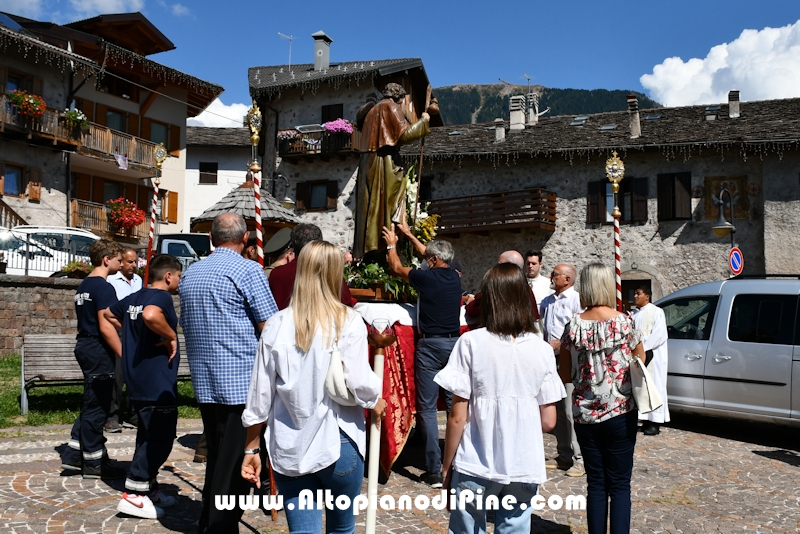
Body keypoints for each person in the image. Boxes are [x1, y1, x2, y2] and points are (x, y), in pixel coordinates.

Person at [241, 240, 386, 533]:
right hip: (339, 438)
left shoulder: (275, 325)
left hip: (290, 442)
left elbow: (260, 395)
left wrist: (251, 447)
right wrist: (375, 399)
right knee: (341, 529)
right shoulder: (349, 321)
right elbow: (358, 381)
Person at [435, 263, 564, 534]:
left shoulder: (470, 343)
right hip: (523, 461)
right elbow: (549, 420)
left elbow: (458, 416)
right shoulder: (542, 350)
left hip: (475, 459)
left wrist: (446, 467)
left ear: (489, 299)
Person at [179, 213, 279, 534]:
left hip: (206, 378)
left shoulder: (191, 272)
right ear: (246, 239)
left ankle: (208, 518)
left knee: (220, 456)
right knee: (235, 462)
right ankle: (220, 526)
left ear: (211, 237)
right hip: (240, 381)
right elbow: (270, 326)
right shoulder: (248, 269)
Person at [559, 262, 645, 534]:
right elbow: (640, 360)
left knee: (596, 483)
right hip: (621, 411)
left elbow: (565, 373)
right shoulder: (626, 322)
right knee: (620, 485)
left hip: (586, 414)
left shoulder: (573, 325)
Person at [382, 221, 462, 488]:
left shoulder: (425, 277)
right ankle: (455, 464)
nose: (426, 261)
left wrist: (393, 243)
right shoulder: (455, 276)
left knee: (427, 409)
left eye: (429, 259)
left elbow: (395, 267)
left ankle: (433, 470)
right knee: (454, 407)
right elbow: (429, 254)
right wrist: (409, 234)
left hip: (430, 347)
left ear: (434, 260)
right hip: (454, 345)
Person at [103, 254, 182, 519]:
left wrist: (131, 331)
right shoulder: (159, 298)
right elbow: (150, 316)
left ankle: (147, 487)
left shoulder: (136, 296)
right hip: (156, 381)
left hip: (138, 378)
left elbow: (108, 313)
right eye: (179, 276)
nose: (179, 281)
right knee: (161, 437)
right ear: (168, 276)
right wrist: (170, 336)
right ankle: (135, 493)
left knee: (147, 435)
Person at [60, 239, 126, 479]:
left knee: (92, 401)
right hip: (98, 348)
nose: (121, 265)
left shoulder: (84, 285)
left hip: (85, 345)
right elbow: (106, 326)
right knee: (98, 406)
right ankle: (93, 462)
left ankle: (74, 454)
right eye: (118, 260)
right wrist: (124, 353)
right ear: (106, 259)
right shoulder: (104, 287)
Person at [359, 82, 431, 254]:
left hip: (368, 161)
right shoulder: (391, 108)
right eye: (402, 100)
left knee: (373, 204)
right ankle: (385, 246)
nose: (402, 104)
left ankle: (371, 244)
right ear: (398, 97)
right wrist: (423, 122)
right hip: (384, 161)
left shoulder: (372, 110)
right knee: (388, 204)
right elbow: (404, 135)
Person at [539, 263, 584, 477]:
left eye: (555, 275)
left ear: (567, 279)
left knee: (568, 409)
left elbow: (579, 329)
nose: (551, 277)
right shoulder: (548, 301)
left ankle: (579, 458)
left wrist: (561, 342)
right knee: (555, 408)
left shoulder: (576, 300)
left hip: (569, 359)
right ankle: (564, 454)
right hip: (550, 360)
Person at [269, 223, 354, 309]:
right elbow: (346, 304)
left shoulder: (276, 273)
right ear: (319, 244)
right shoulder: (329, 272)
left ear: (293, 245)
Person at [106, 247, 143, 432]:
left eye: (135, 262)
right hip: (119, 330)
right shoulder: (111, 280)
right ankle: (112, 415)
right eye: (130, 262)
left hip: (136, 331)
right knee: (118, 375)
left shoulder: (138, 280)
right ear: (121, 262)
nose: (134, 265)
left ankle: (132, 414)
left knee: (135, 375)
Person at [632, 285, 669, 435]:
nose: (635, 296)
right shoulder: (634, 314)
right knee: (642, 387)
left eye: (638, 293)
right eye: (634, 293)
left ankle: (655, 422)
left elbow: (659, 334)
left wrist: (643, 348)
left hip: (653, 355)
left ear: (647, 296)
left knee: (655, 386)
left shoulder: (657, 312)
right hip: (638, 355)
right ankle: (645, 419)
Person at [464, 251, 539, 323]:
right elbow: (533, 317)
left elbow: (472, 311)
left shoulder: (495, 287)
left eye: (500, 264)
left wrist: (470, 302)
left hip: (498, 332)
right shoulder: (526, 288)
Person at [525, 250, 554, 338]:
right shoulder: (519, 282)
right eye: (528, 263)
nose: (530, 266)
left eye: (533, 264)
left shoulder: (548, 284)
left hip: (540, 332)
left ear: (540, 264)